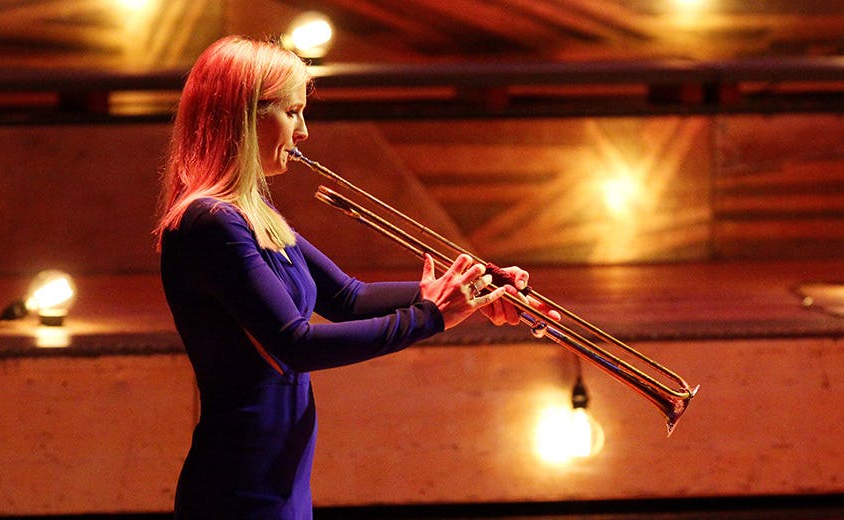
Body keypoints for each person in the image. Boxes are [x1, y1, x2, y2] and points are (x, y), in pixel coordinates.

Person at [154, 35, 557, 519]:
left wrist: (473, 291)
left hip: (279, 477)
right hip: (238, 488)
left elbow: (348, 296)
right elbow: (295, 344)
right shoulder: (209, 222)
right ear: (245, 115)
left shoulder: (251, 214)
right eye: (291, 112)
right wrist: (430, 316)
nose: (303, 132)